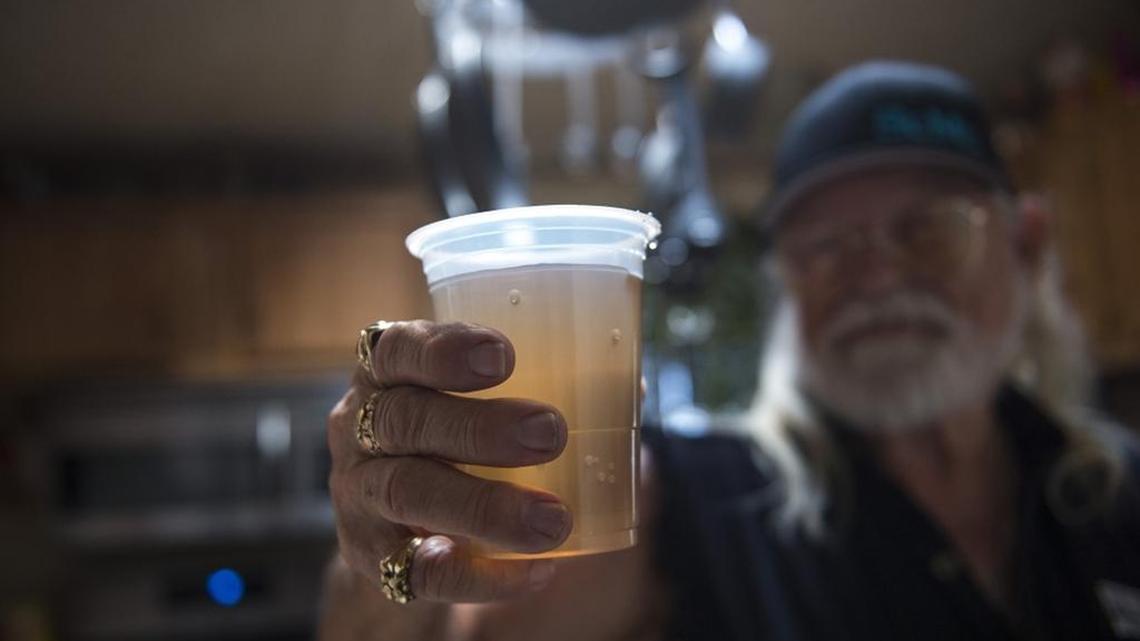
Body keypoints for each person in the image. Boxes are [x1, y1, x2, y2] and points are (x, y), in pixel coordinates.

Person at [319, 61, 1140, 640]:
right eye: (828, 245)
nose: (879, 274)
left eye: (930, 228)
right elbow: (493, 622)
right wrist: (389, 563)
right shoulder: (704, 494)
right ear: (787, 280)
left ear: (1027, 243)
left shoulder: (1125, 496)